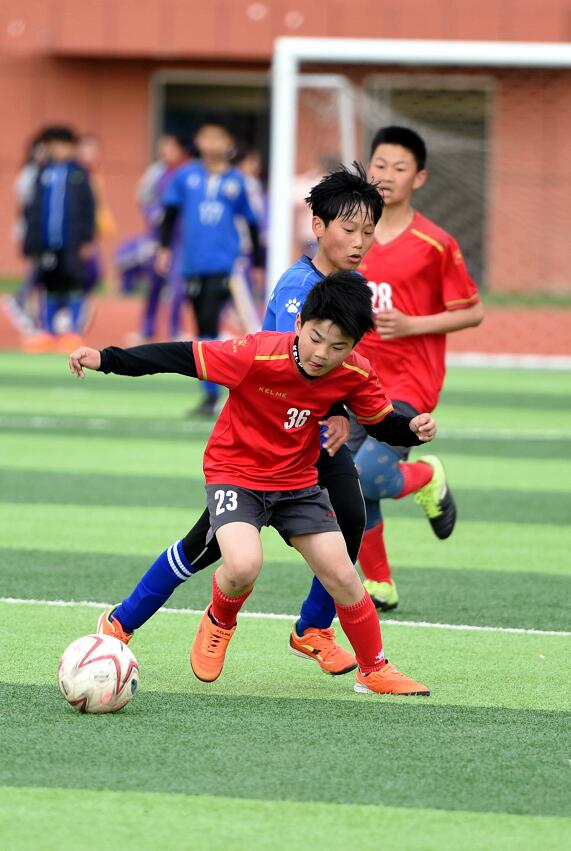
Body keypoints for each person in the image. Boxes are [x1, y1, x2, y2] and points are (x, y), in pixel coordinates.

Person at [69, 273, 437, 696]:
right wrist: (107, 359)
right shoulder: (256, 353)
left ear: (354, 347)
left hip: (297, 483)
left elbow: (381, 421)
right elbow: (178, 357)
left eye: (338, 347)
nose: (322, 354)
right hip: (236, 475)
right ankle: (219, 621)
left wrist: (412, 428)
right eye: (316, 338)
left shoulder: (354, 372)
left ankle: (373, 670)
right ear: (300, 325)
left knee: (343, 574)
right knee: (242, 564)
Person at [86, 163, 384, 678]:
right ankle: (123, 620)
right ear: (318, 226)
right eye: (348, 229)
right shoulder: (299, 289)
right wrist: (110, 358)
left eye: (367, 232)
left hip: (306, 440)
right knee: (208, 548)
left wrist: (338, 410)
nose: (359, 241)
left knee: (350, 517)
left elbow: (332, 369)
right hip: (263, 441)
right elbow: (289, 363)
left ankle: (312, 629)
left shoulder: (349, 285)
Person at [352, 126, 484, 610]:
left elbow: (473, 311)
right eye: (380, 164)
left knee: (365, 475)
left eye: (399, 168)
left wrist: (412, 324)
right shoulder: (351, 234)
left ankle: (428, 477)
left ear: (420, 177)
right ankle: (380, 583)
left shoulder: (436, 243)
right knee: (347, 480)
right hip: (354, 378)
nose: (386, 175)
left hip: (410, 383)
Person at [156, 121, 264, 415]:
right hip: (193, 264)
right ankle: (210, 395)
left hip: (225, 265)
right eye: (206, 136)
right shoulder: (185, 176)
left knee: (227, 326)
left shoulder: (236, 181)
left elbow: (252, 224)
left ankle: (235, 393)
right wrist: (164, 249)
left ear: (228, 142)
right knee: (204, 329)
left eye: (218, 136)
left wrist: (257, 263)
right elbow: (170, 213)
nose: (211, 142)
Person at [22, 126, 96, 353]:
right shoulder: (42, 172)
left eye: (63, 145)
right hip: (46, 241)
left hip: (71, 242)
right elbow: (32, 208)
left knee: (73, 283)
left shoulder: (79, 174)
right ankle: (47, 331)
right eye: (53, 145)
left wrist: (86, 239)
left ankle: (73, 332)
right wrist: (31, 241)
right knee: (49, 285)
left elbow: (88, 208)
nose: (58, 149)